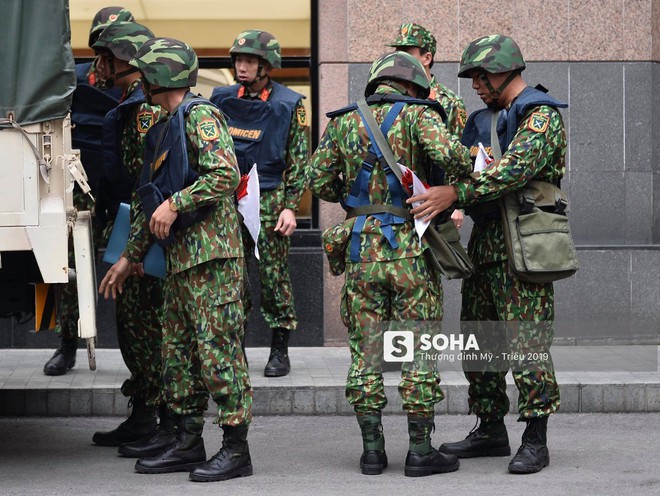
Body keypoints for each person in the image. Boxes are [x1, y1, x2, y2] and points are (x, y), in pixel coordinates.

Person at [408, 34, 566, 474]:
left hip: (527, 240)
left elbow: (515, 171)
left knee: (527, 344)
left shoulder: (540, 115)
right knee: (480, 339)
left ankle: (535, 437)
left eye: (481, 75)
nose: (475, 83)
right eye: (472, 76)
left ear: (506, 70)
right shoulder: (480, 119)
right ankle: (491, 427)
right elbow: (458, 164)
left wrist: (457, 192)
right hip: (487, 241)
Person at [309, 51, 472, 477]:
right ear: (414, 86)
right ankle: (419, 450)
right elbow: (455, 160)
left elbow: (319, 181)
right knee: (418, 352)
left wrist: (361, 198)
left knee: (365, 355)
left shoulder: (343, 121)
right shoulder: (419, 116)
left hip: (362, 252)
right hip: (411, 253)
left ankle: (372, 452)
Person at [99, 37, 253, 483]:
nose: (141, 79)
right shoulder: (164, 126)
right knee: (179, 358)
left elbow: (225, 173)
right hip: (180, 261)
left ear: (164, 74)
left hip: (212, 259)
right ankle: (188, 443)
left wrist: (177, 203)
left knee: (219, 354)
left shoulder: (201, 115)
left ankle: (236, 449)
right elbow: (149, 201)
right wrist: (129, 258)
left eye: (147, 72)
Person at [210, 30, 310, 377]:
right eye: (238, 60)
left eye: (250, 61)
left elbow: (299, 160)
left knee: (274, 278)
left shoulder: (289, 103)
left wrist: (290, 207)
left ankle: (279, 351)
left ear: (266, 65)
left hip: (270, 199)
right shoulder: (220, 98)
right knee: (231, 279)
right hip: (229, 200)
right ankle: (232, 350)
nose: (242, 66)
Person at [87, 21, 168, 449]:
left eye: (107, 57)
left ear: (128, 62)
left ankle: (162, 423)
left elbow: (146, 188)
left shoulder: (147, 111)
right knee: (133, 329)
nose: (99, 64)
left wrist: (135, 250)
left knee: (147, 329)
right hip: (130, 232)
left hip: (144, 241)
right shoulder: (130, 103)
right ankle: (143, 415)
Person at [42, 6, 132, 376]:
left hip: (122, 194)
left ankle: (138, 353)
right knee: (68, 272)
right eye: (106, 51)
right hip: (78, 193)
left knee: (131, 271)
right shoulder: (71, 81)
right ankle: (66, 344)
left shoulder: (137, 87)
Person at [388, 22, 467, 229]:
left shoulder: (448, 101)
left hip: (438, 205)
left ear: (427, 58)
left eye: (407, 52)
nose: (400, 58)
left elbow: (460, 149)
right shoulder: (389, 95)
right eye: (398, 52)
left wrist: (459, 204)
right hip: (400, 203)